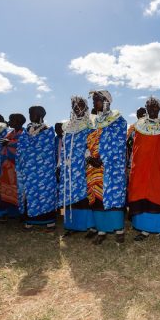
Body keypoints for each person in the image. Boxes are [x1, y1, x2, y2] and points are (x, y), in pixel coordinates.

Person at [127, 96, 160, 242]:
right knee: (143, 197)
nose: (153, 109)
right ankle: (144, 231)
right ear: (146, 109)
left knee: (159, 197)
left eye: (156, 106)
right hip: (141, 169)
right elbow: (134, 148)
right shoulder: (138, 126)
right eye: (150, 106)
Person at [86, 90, 127, 244]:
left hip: (112, 166)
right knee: (97, 198)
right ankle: (102, 230)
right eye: (93, 100)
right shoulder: (92, 122)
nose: (94, 102)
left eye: (97, 99)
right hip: (94, 166)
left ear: (106, 101)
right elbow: (86, 143)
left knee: (114, 197)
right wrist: (90, 158)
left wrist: (102, 158)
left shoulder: (118, 120)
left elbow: (118, 143)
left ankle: (119, 230)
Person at [16, 106, 57, 229]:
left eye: (33, 113)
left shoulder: (48, 130)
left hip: (45, 169)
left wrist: (32, 151)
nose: (30, 115)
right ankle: (30, 220)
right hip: (28, 169)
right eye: (29, 113)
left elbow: (48, 148)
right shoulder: (26, 131)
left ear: (41, 115)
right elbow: (20, 148)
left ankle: (49, 220)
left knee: (46, 193)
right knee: (30, 193)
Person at [58, 97, 94, 236]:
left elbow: (92, 144)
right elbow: (64, 147)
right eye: (74, 105)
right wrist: (61, 164)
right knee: (70, 195)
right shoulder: (67, 126)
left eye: (80, 105)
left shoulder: (90, 124)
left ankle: (90, 226)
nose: (77, 107)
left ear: (86, 107)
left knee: (83, 195)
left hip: (82, 165)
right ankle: (72, 225)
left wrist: (87, 158)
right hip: (68, 167)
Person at [0, 113, 25, 219]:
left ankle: (19, 212)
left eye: (11, 120)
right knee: (8, 188)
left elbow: (23, 146)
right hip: (7, 166)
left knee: (17, 189)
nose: (9, 122)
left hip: (17, 166)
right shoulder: (10, 133)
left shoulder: (24, 133)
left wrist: (8, 143)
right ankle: (9, 212)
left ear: (19, 121)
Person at [126, 107, 146, 177]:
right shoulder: (133, 128)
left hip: (137, 159)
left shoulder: (133, 127)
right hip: (136, 158)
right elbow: (128, 143)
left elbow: (127, 143)